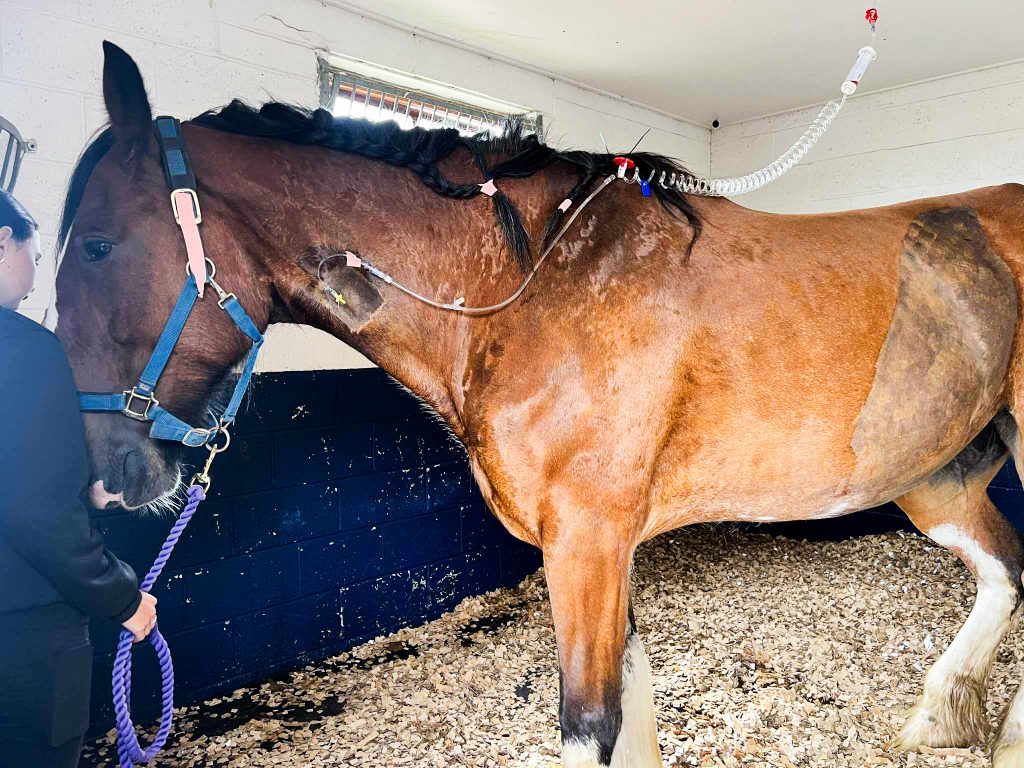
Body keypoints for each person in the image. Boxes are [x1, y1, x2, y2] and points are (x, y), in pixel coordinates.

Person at [0, 189, 157, 767]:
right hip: (22, 643)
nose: (36, 275)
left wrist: (77, 483)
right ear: (1, 241)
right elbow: (34, 513)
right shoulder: (28, 349)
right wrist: (122, 597)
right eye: (36, 257)